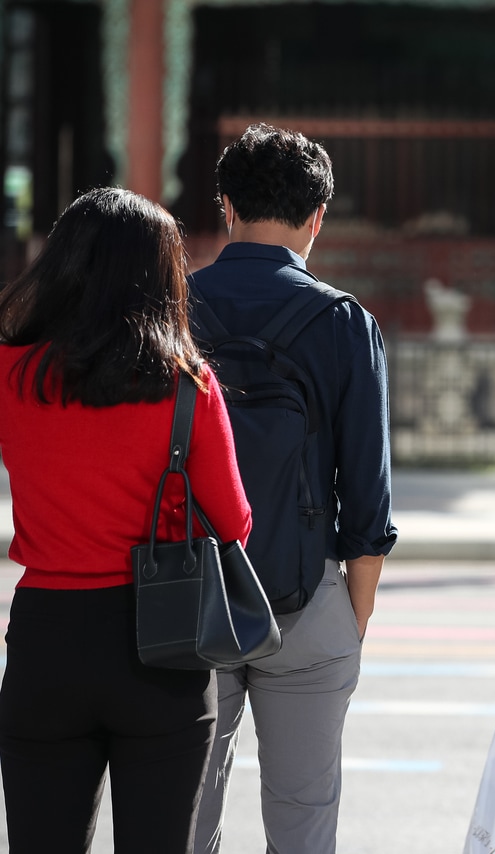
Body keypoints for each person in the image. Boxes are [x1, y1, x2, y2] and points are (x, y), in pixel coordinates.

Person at [0, 188, 252, 853]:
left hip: (46, 636)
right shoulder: (187, 384)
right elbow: (232, 524)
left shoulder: (10, 371)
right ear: (158, 274)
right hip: (159, 640)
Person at [191, 123, 397, 853]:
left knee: (184, 815)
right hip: (305, 600)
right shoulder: (344, 323)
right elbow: (368, 502)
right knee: (303, 821)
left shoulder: (170, 309)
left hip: (184, 598)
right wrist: (350, 621)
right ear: (317, 218)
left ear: (225, 207)